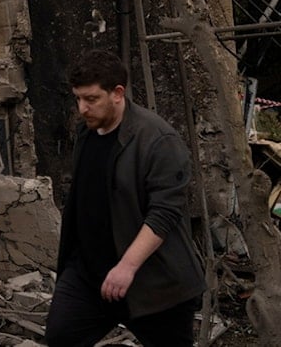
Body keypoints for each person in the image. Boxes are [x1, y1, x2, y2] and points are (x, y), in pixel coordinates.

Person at [45, 49, 205, 347]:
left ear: (117, 93)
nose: (82, 108)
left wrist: (127, 267)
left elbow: (165, 213)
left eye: (91, 99)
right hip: (89, 276)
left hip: (154, 283)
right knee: (60, 338)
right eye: (78, 98)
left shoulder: (158, 140)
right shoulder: (86, 132)